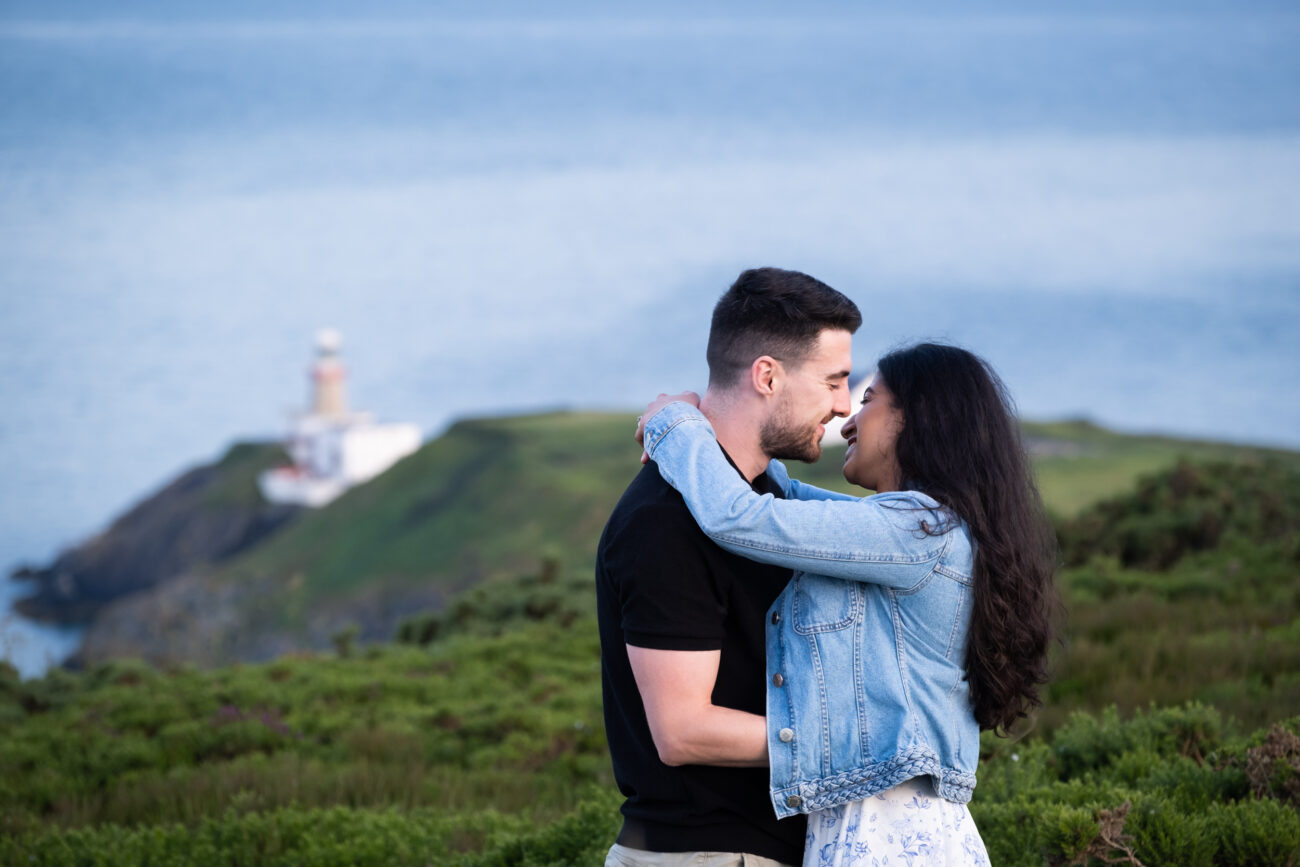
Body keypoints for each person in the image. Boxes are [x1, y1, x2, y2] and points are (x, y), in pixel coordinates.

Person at [636, 343, 1057, 866]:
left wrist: (673, 423)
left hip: (892, 837)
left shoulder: (916, 532)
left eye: (870, 400)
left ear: (916, 419)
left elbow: (741, 518)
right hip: (882, 827)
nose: (850, 420)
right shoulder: (920, 528)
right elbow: (780, 501)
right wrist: (727, 439)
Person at [596, 267, 863, 866]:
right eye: (834, 381)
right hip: (705, 854)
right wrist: (851, 742)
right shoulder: (664, 520)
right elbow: (683, 729)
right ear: (767, 375)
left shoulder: (766, 497)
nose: (844, 406)